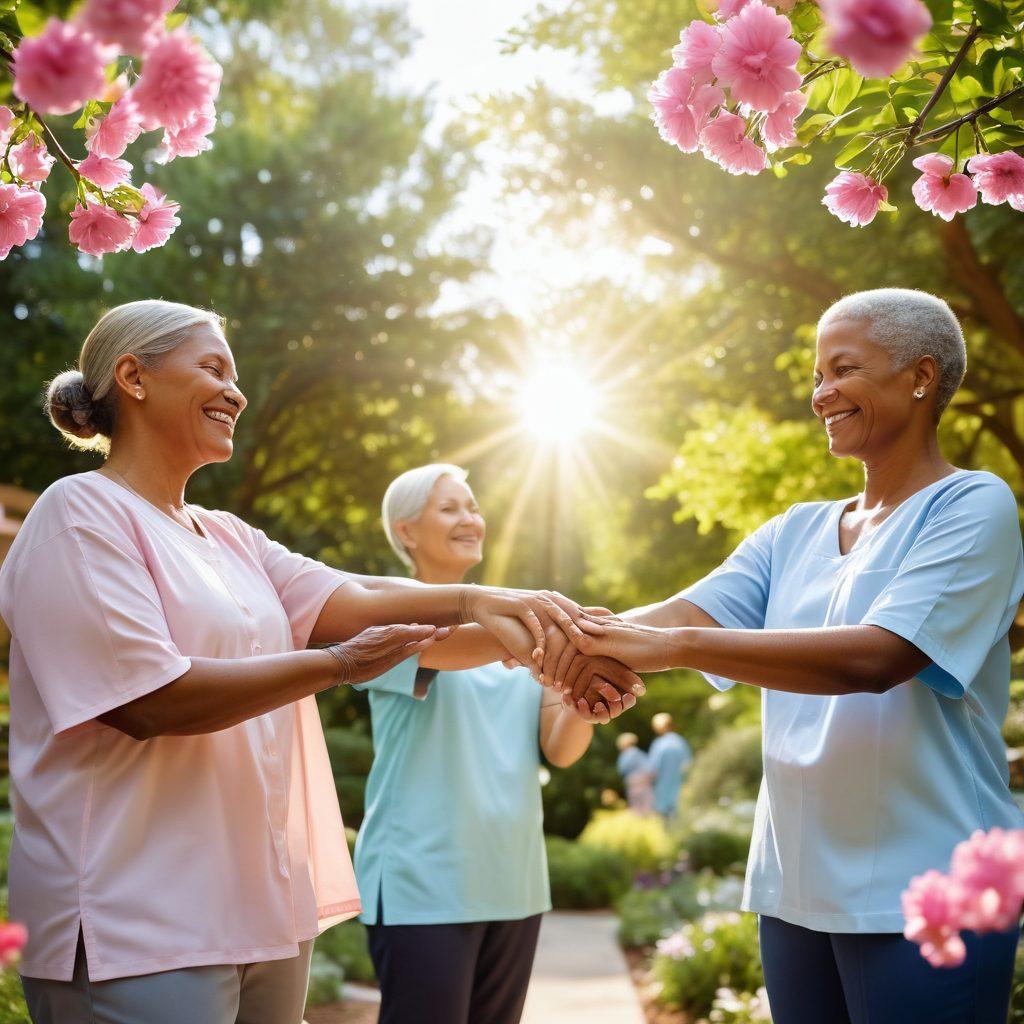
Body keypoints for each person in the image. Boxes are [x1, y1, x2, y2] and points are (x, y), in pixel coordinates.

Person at [0, 300, 632, 1024]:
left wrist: (498, 605)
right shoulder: (78, 513)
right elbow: (151, 700)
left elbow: (360, 596)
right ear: (133, 378)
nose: (236, 392)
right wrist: (336, 665)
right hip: (137, 919)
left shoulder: (230, 536)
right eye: (213, 369)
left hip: (262, 912)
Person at [541, 289, 1024, 1024]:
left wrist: (664, 649)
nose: (820, 393)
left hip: (927, 889)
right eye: (816, 374)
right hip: (794, 891)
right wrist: (560, 640)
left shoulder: (973, 506)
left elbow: (875, 660)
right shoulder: (794, 530)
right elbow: (674, 615)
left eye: (843, 368)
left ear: (921, 377)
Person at [353, 464, 638, 1024]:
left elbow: (559, 749)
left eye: (474, 507)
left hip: (513, 880)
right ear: (405, 530)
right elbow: (449, 648)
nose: (470, 519)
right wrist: (556, 638)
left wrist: (587, 697)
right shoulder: (389, 615)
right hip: (422, 881)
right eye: (450, 508)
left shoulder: (517, 628)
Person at [648, 713, 692, 820]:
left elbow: (653, 767)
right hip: (679, 783)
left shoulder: (659, 744)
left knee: (663, 816)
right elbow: (688, 763)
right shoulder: (679, 741)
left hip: (662, 785)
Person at [616, 732, 654, 815]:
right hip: (644, 783)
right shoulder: (638, 753)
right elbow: (650, 768)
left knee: (636, 809)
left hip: (632, 784)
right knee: (647, 807)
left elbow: (621, 770)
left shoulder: (624, 755)